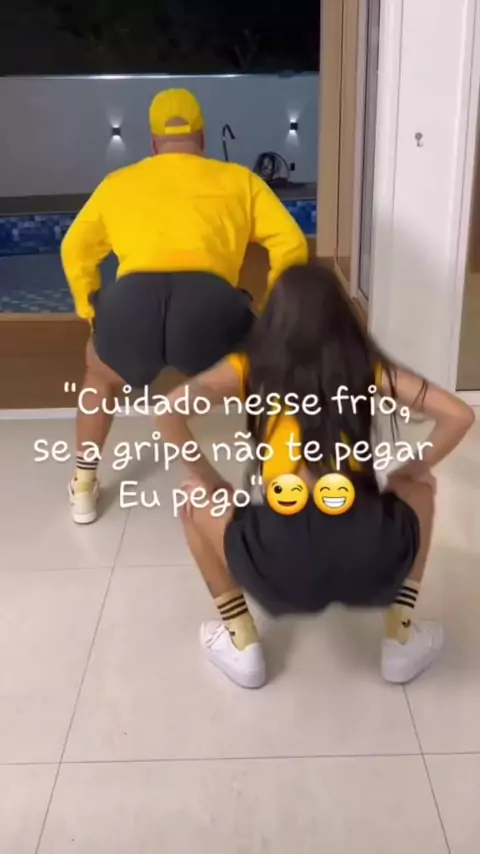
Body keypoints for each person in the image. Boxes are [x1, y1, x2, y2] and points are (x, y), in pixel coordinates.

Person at [159, 262, 475, 689]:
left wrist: (211, 480)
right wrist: (412, 468)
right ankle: (400, 637)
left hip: (276, 569)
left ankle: (241, 641)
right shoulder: (365, 366)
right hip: (372, 561)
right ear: (342, 318)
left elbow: (169, 410)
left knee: (193, 498)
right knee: (419, 487)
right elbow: (459, 415)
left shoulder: (250, 367)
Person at [61, 88, 308, 524]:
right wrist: (273, 310)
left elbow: (74, 249)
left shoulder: (118, 184)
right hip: (209, 308)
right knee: (270, 375)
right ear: (203, 139)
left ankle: (83, 484)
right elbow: (291, 244)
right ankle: (286, 484)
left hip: (131, 306)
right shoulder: (240, 181)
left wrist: (92, 309)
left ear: (154, 143)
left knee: (98, 375)